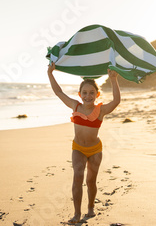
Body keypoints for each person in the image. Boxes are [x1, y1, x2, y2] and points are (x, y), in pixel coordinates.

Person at [47, 63, 121, 224]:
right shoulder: (75, 105)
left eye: (92, 93)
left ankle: (91, 208)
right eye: (85, 93)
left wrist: (113, 79)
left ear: (97, 94)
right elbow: (58, 92)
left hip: (95, 150)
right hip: (78, 149)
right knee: (78, 176)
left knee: (91, 181)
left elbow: (116, 101)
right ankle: (76, 214)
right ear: (80, 94)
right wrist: (50, 73)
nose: (88, 96)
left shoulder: (100, 111)